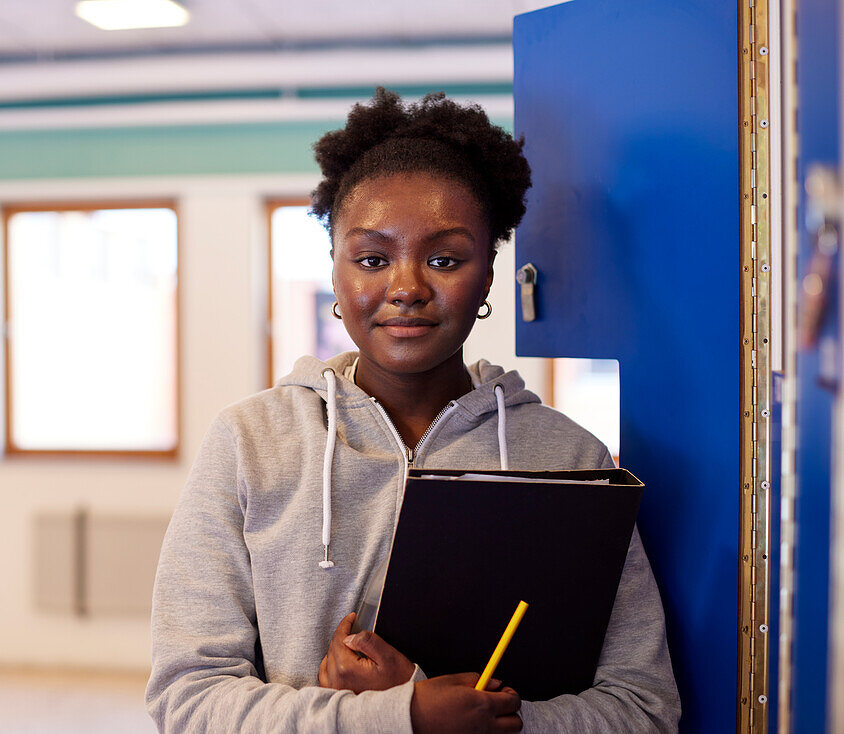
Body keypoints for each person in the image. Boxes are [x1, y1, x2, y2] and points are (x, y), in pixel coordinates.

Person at [146, 88, 680, 733]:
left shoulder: (568, 459)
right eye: (372, 259)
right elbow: (188, 700)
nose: (405, 288)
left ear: (486, 276)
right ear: (336, 274)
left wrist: (478, 723)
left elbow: (642, 708)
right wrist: (403, 717)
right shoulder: (250, 442)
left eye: (444, 259)